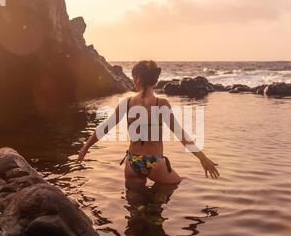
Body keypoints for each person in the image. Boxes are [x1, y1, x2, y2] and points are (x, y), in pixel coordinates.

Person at [77, 60, 219, 187]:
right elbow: (180, 134)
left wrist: (86, 147)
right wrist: (203, 158)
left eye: (133, 78)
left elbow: (105, 127)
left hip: (133, 162)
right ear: (155, 81)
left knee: (134, 207)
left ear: (138, 79)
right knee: (177, 184)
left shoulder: (126, 103)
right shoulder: (161, 104)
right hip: (155, 163)